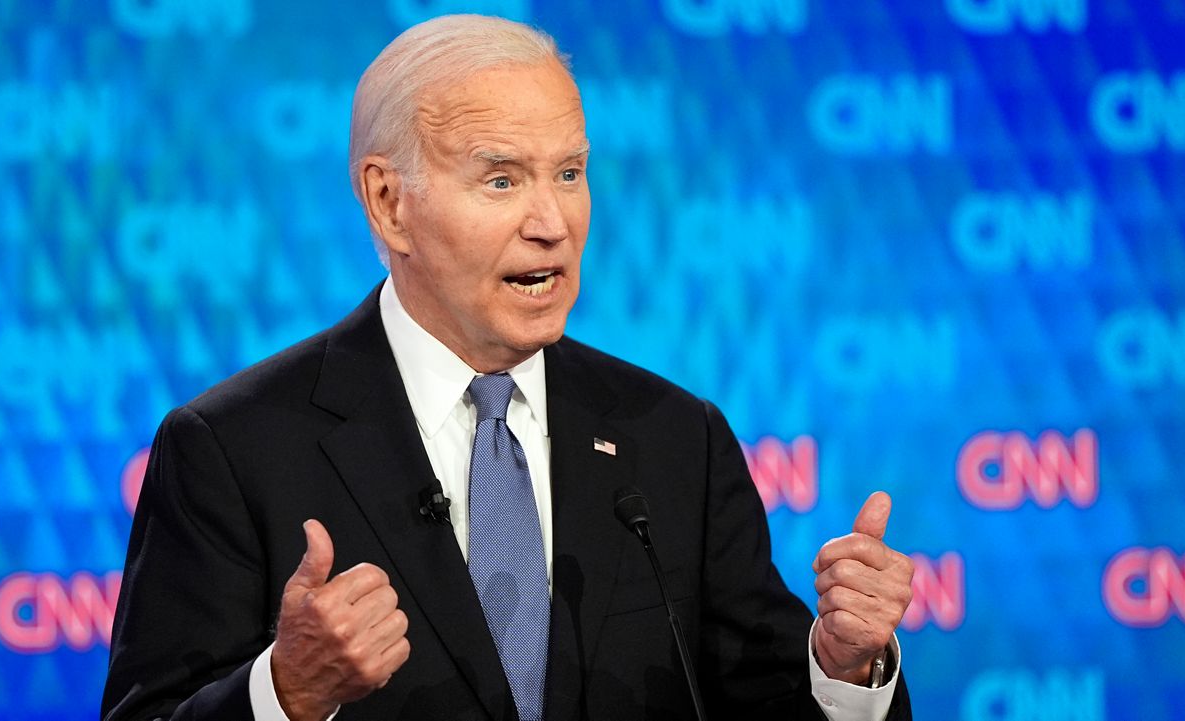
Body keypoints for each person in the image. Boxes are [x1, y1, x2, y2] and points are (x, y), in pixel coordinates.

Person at [101, 14, 915, 721]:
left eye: (570, 172)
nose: (552, 222)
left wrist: (843, 669)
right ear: (389, 203)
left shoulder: (672, 439)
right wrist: (285, 693)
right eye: (502, 179)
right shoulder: (233, 449)